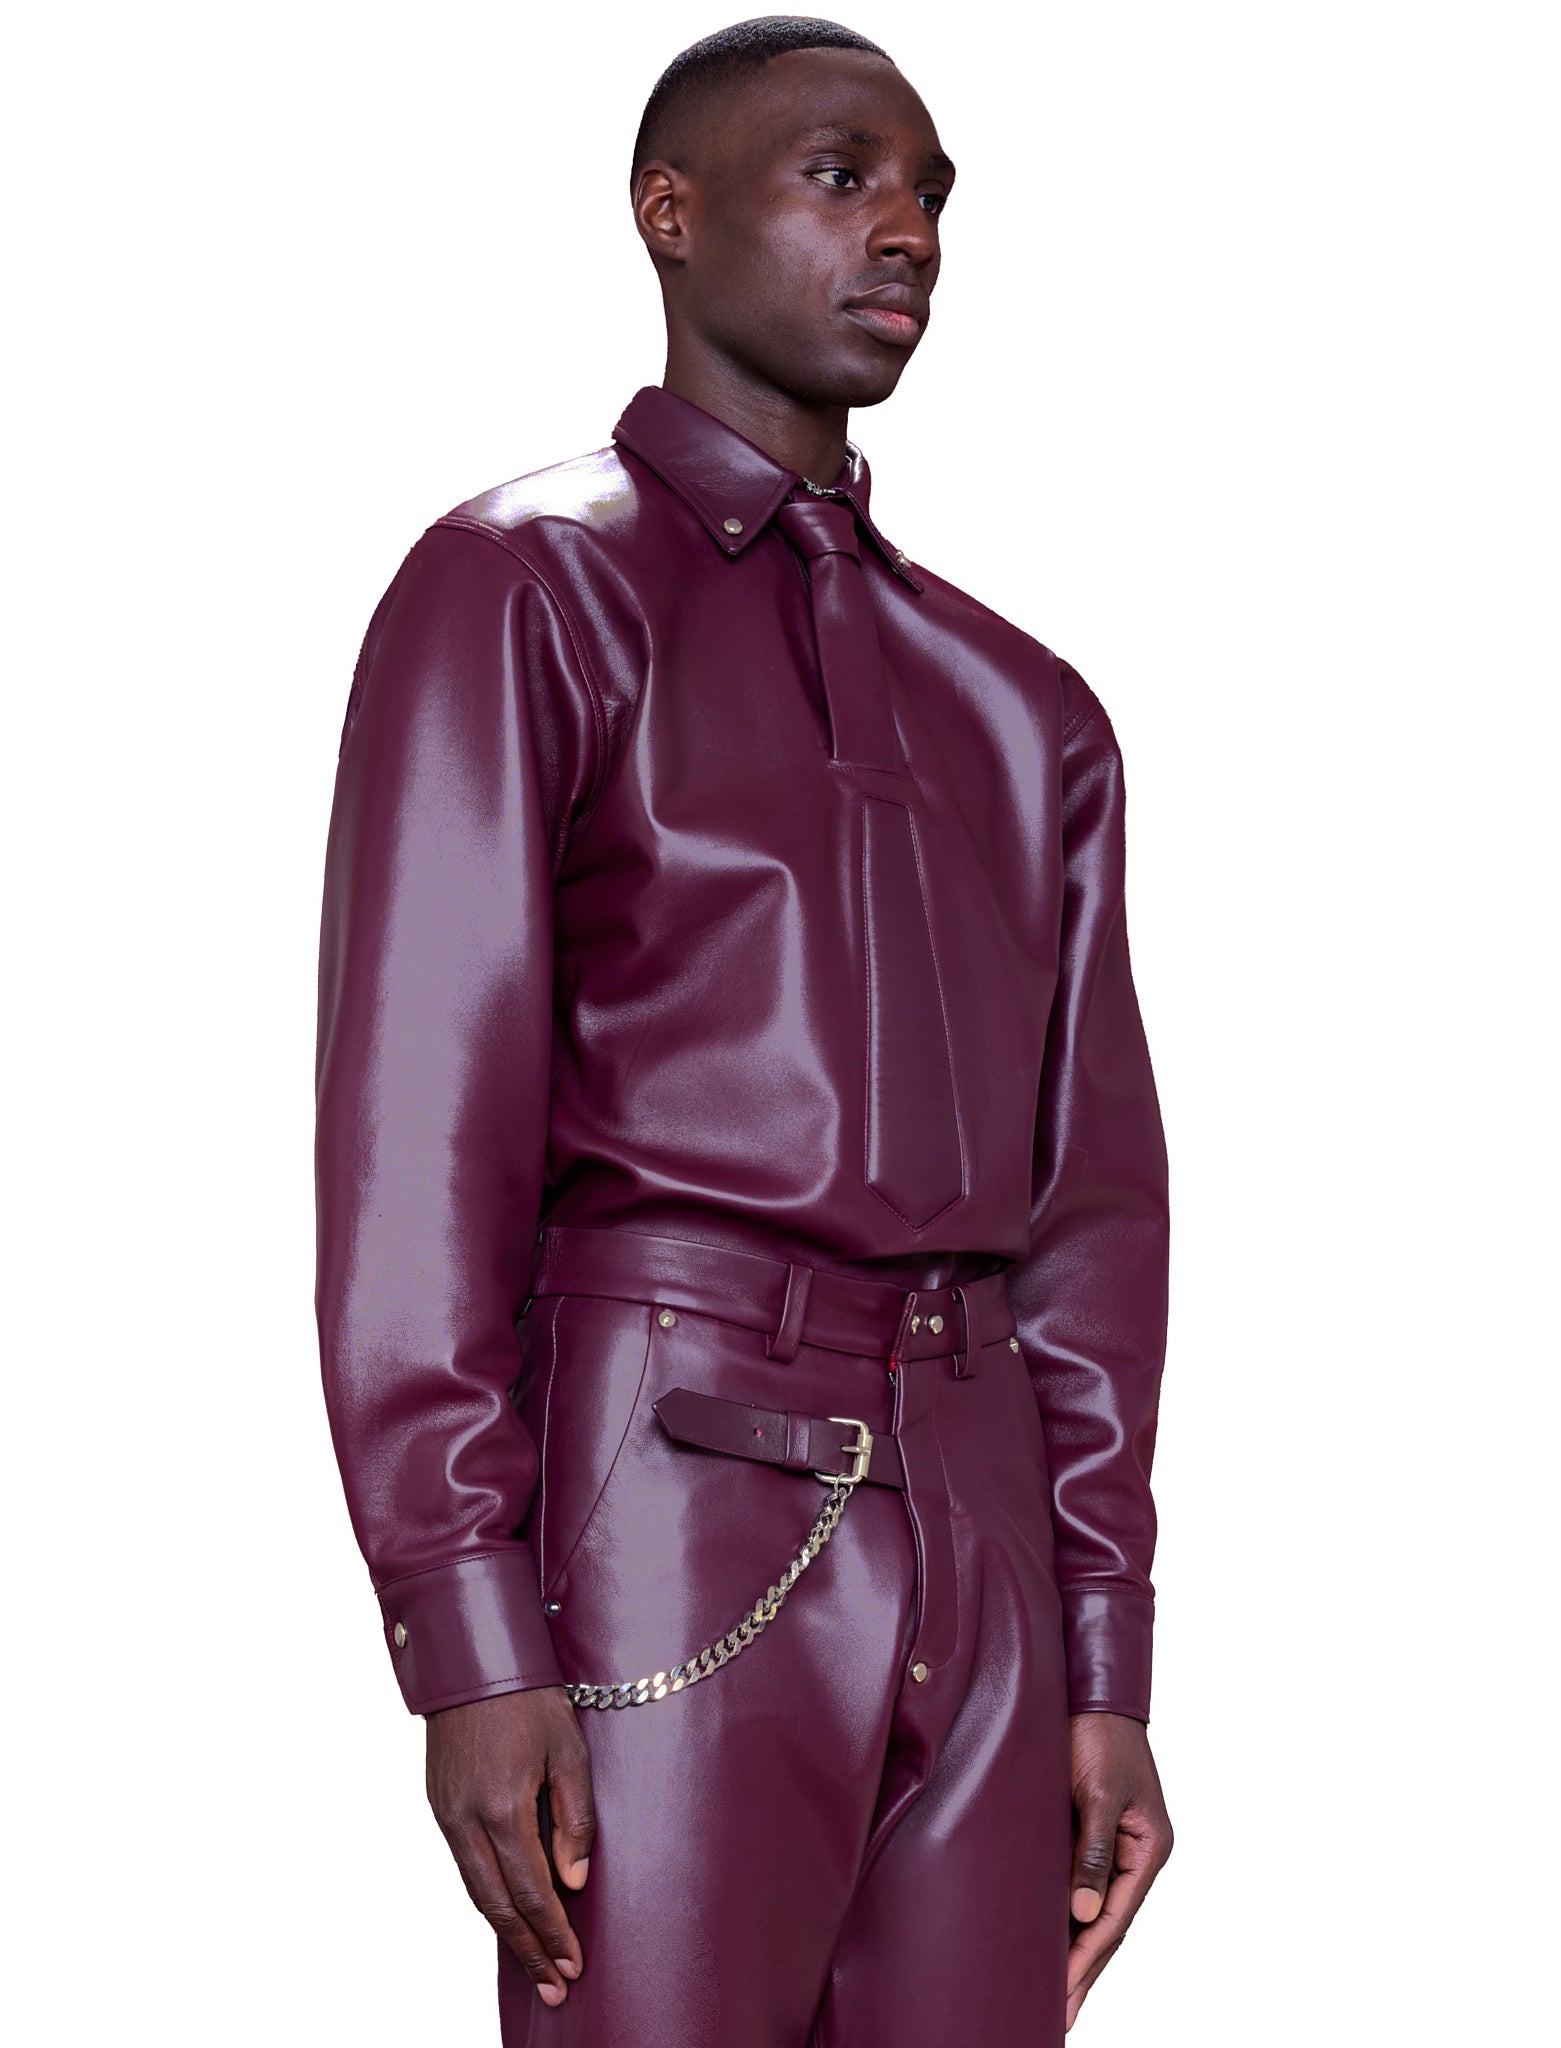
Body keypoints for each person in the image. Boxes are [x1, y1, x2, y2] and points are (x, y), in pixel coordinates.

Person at [314, 16, 1174, 2044]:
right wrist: (465, 1626)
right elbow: (422, 1129)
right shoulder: (522, 588)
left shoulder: (1026, 706)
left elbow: (1092, 1212)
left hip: (986, 1525)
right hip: (667, 1504)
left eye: (932, 194)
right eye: (842, 177)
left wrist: (1105, 1659)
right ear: (669, 213)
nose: (909, 232)